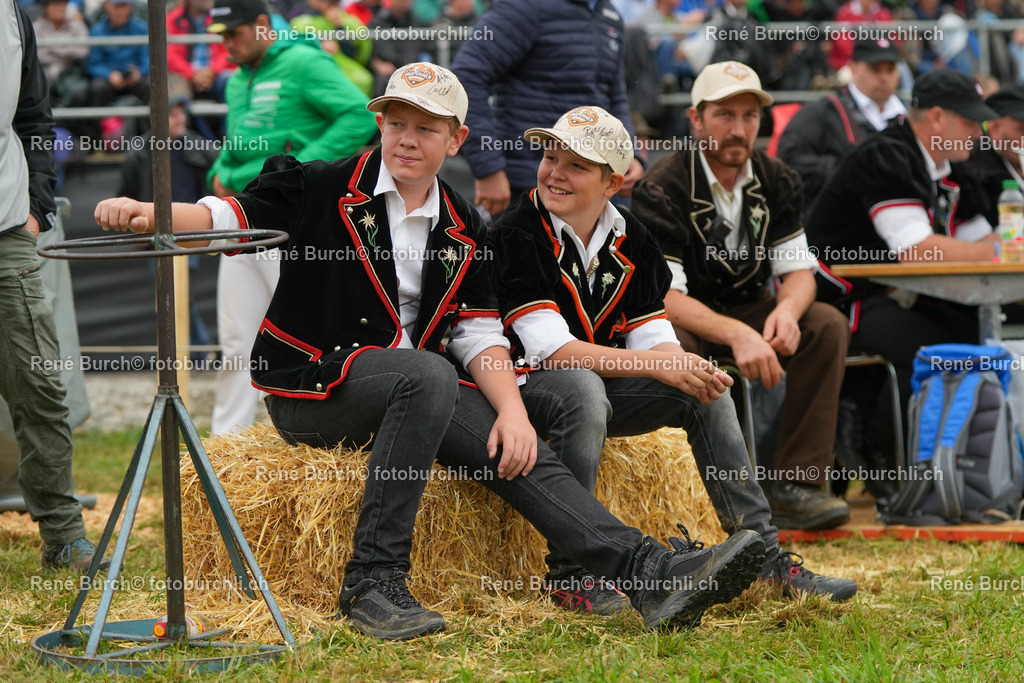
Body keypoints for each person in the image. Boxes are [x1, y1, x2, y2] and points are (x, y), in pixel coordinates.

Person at [94, 62, 768, 641]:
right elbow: (227, 217)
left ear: (456, 139)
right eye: (396, 122)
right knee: (428, 371)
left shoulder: (463, 228)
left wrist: (509, 410)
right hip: (315, 389)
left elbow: (479, 334)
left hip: (417, 394)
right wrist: (151, 212)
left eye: (425, 126)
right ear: (380, 123)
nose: (407, 138)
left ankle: (646, 571)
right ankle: (372, 583)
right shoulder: (322, 184)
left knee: (514, 440)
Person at [487, 103, 857, 608]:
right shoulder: (516, 232)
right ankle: (571, 575)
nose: (555, 172)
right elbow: (554, 351)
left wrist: (680, 363)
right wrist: (660, 362)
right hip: (519, 392)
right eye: (551, 157)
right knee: (583, 388)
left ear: (612, 184)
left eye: (576, 165)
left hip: (590, 384)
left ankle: (767, 558)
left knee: (707, 388)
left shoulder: (633, 238)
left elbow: (651, 331)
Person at [631, 61, 852, 531]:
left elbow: (799, 273)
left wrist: (789, 312)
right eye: (724, 116)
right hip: (684, 318)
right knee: (674, 349)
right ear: (695, 120)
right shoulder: (662, 184)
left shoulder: (777, 178)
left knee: (825, 323)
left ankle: (795, 485)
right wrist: (738, 334)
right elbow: (664, 298)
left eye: (750, 116)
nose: (739, 129)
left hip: (748, 306)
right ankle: (692, 495)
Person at [205, 0, 378, 435]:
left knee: (305, 339)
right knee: (237, 343)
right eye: (221, 35)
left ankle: (313, 433)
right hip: (245, 216)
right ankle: (228, 450)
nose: (227, 44)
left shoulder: (302, 62)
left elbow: (361, 115)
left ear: (263, 26)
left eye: (235, 33)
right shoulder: (236, 80)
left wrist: (297, 172)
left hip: (291, 222)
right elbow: (237, 139)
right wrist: (220, 172)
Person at [807, 69, 1000, 430]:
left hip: (899, 293)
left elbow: (982, 244)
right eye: (971, 122)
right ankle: (881, 450)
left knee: (979, 335)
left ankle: (963, 461)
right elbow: (917, 251)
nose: (979, 133)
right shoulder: (888, 154)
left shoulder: (952, 164)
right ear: (938, 117)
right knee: (941, 350)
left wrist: (993, 247)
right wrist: (996, 248)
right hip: (840, 297)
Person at [3, 0, 107, 572]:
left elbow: (34, 120)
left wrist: (37, 204)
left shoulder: (14, 17)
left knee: (40, 381)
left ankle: (64, 537)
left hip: (8, 232)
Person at [450, 0, 645, 217]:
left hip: (590, 185)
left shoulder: (609, 14)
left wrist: (630, 156)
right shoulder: (523, 6)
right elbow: (466, 80)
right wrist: (488, 169)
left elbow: (615, 97)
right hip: (528, 184)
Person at [778, 37, 907, 211]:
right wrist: (848, 170)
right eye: (875, 69)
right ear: (853, 69)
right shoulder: (821, 112)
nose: (884, 77)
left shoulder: (907, 119)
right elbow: (789, 161)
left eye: (890, 69)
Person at [168, 0, 237, 102]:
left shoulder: (220, 17)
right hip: (185, 76)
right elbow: (169, 54)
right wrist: (191, 74)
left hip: (216, 75)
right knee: (175, 92)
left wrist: (212, 71)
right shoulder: (173, 19)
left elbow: (229, 49)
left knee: (230, 80)